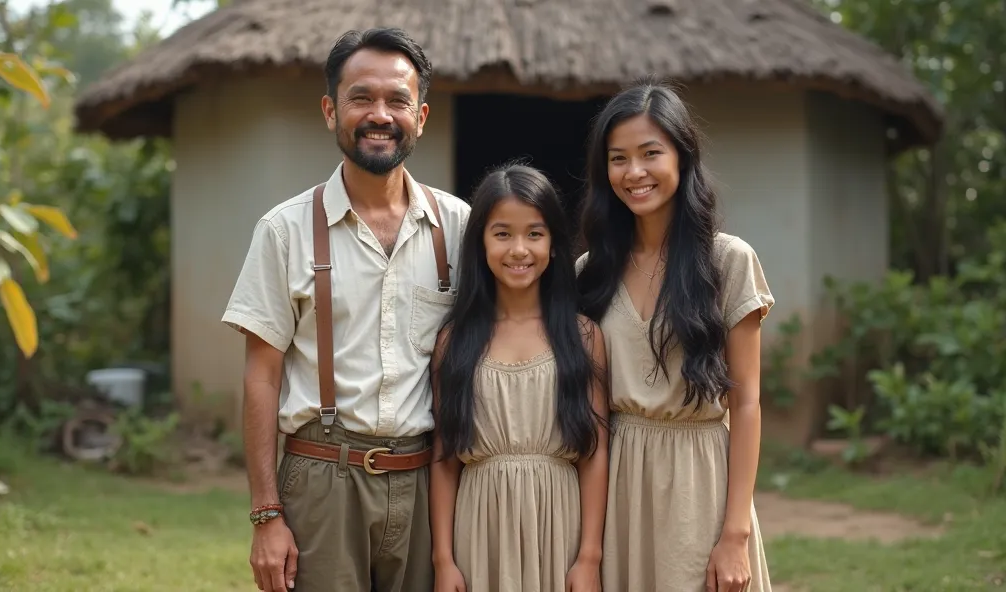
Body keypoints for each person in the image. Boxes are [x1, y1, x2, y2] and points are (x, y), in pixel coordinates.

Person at [221, 28, 470, 592]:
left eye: (397, 101)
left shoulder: (460, 227)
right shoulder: (283, 231)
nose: (379, 114)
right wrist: (266, 515)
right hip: (322, 479)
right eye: (361, 98)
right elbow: (261, 376)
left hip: (431, 480)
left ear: (422, 115)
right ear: (331, 110)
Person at [575, 81, 775, 592]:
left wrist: (735, 533)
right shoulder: (589, 274)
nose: (634, 172)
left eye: (650, 154)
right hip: (618, 486)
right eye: (618, 158)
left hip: (700, 483)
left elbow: (747, 401)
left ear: (682, 158)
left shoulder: (728, 261)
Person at [428, 163, 610, 592]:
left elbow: (596, 453)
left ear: (552, 243)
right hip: (479, 532)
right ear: (481, 243)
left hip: (559, 526)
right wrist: (443, 561)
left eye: (534, 233)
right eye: (502, 233)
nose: (519, 250)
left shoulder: (583, 336)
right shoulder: (454, 342)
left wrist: (589, 557)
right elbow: (444, 457)